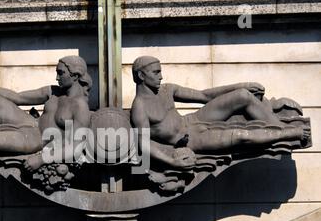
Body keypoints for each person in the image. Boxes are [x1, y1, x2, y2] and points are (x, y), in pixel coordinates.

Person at [130, 56, 310, 169]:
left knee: (241, 96)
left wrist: (240, 86)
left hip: (193, 120)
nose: (161, 76)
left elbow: (203, 95)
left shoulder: (167, 90)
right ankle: (290, 133)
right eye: (156, 72)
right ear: (141, 76)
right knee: (240, 136)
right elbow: (144, 144)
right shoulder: (140, 107)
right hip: (191, 140)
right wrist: (173, 162)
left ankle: (279, 126)